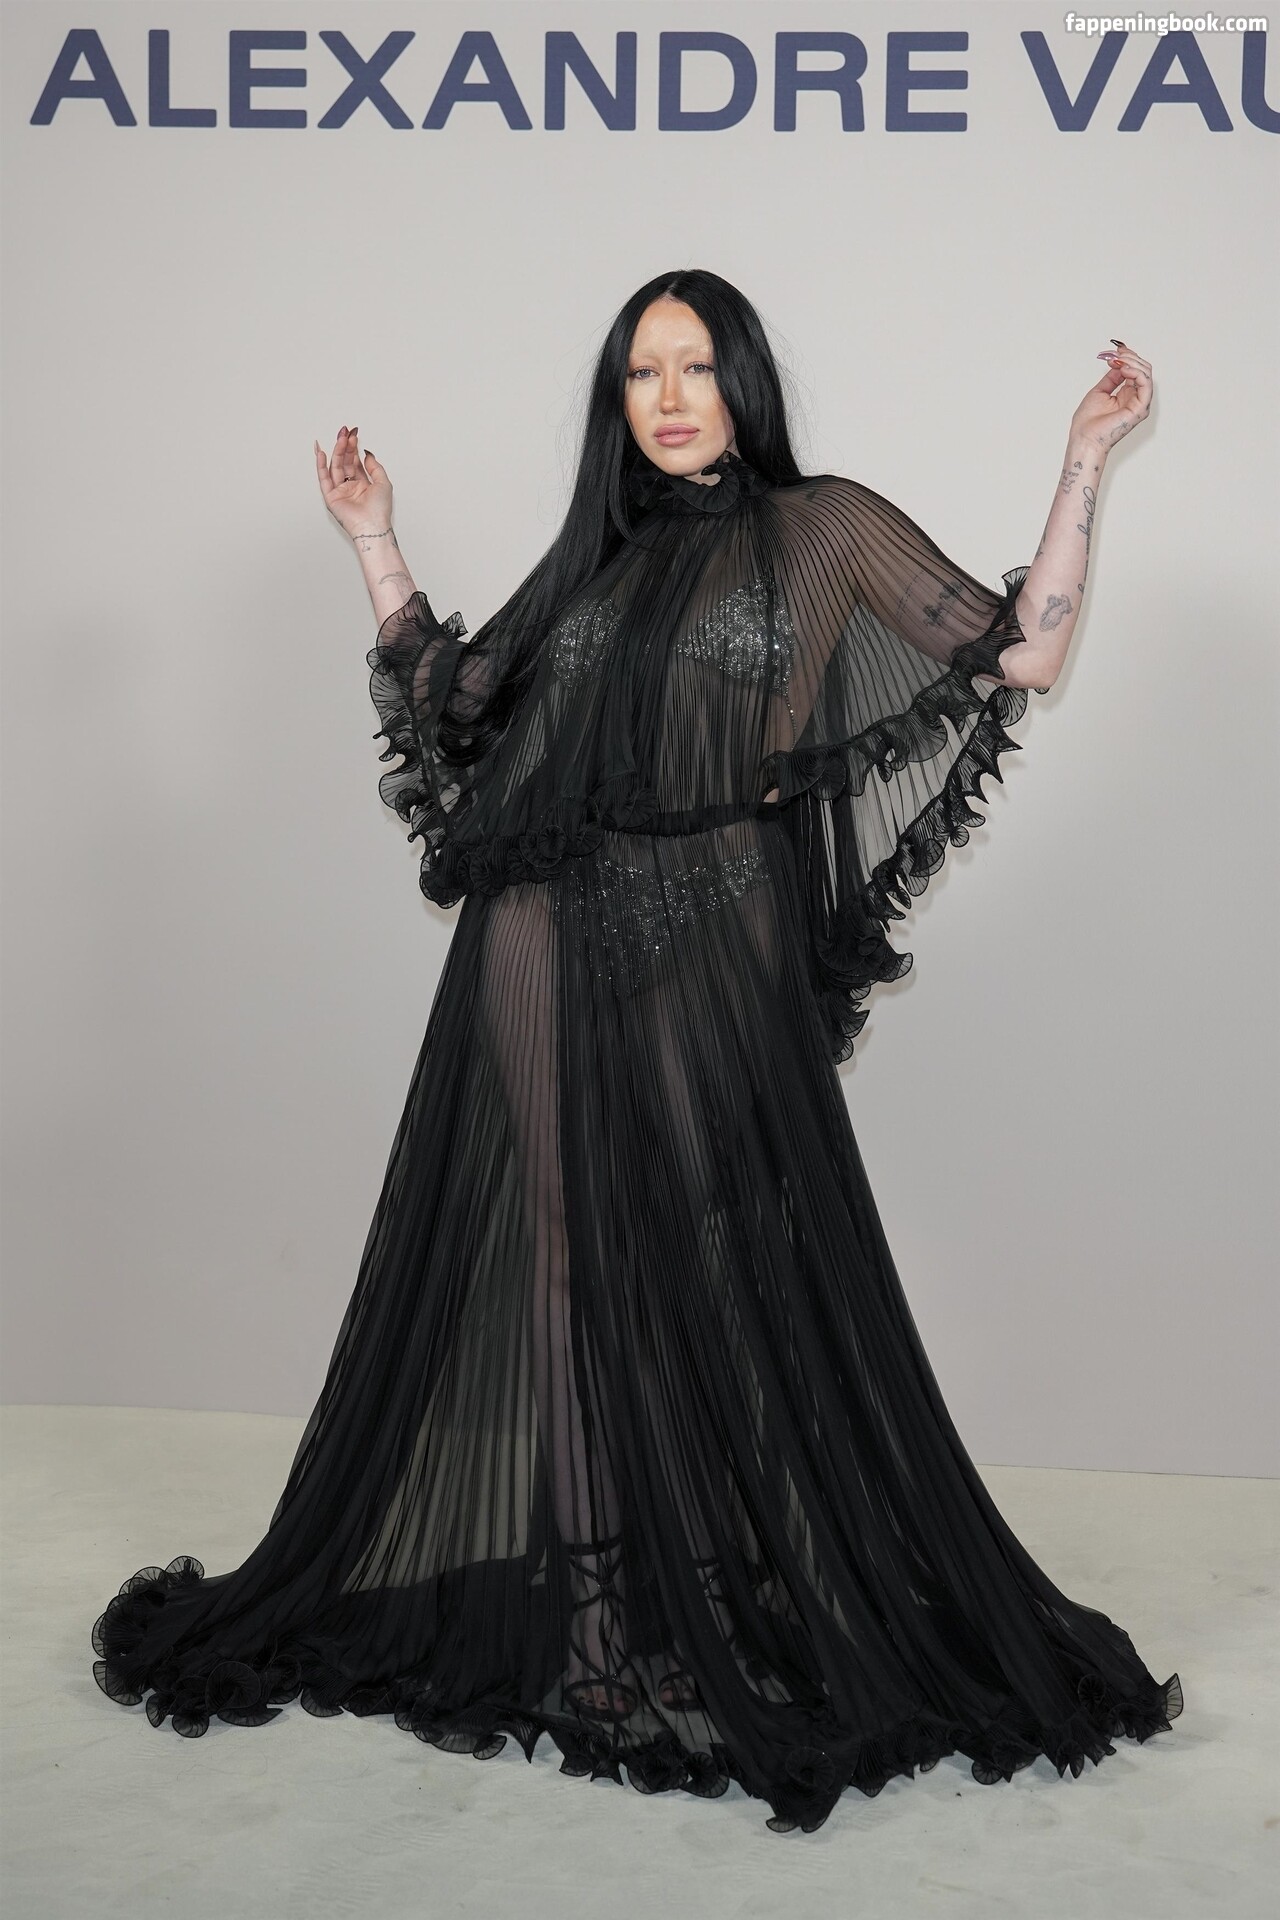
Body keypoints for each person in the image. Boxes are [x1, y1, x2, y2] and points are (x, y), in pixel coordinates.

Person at [92, 271, 1180, 1834]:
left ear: (743, 382)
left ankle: (725, 1580)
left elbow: (1020, 656)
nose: (669, 398)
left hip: (720, 926)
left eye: (694, 367)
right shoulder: (595, 558)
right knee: (560, 1253)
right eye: (641, 373)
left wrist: (1083, 459)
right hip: (544, 923)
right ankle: (601, 1631)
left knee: (722, 1244)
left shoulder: (824, 528)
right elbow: (459, 699)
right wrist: (375, 539)